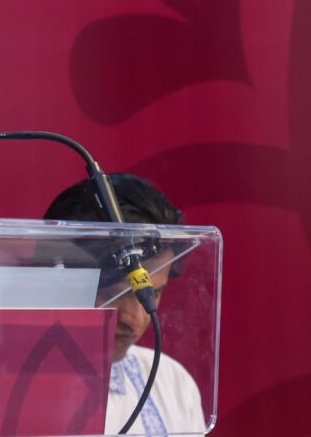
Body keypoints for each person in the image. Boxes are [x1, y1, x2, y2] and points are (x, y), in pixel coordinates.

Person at [45, 174, 207, 436]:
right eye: (113, 294)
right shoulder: (4, 383)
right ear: (58, 281)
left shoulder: (172, 384)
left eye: (151, 294)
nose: (136, 320)